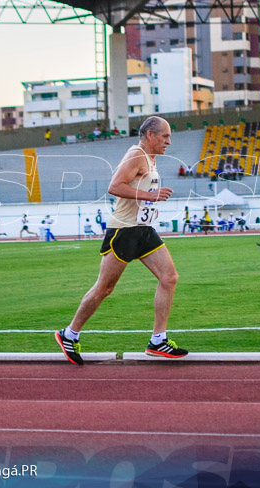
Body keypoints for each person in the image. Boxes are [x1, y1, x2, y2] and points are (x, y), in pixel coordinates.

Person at [55, 116, 188, 365]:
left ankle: (158, 340)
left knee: (169, 277)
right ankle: (69, 334)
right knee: (104, 288)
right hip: (124, 231)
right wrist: (150, 195)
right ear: (150, 135)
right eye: (165, 136)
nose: (168, 141)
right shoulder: (136, 155)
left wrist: (150, 198)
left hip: (144, 230)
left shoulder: (150, 158)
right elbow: (115, 186)